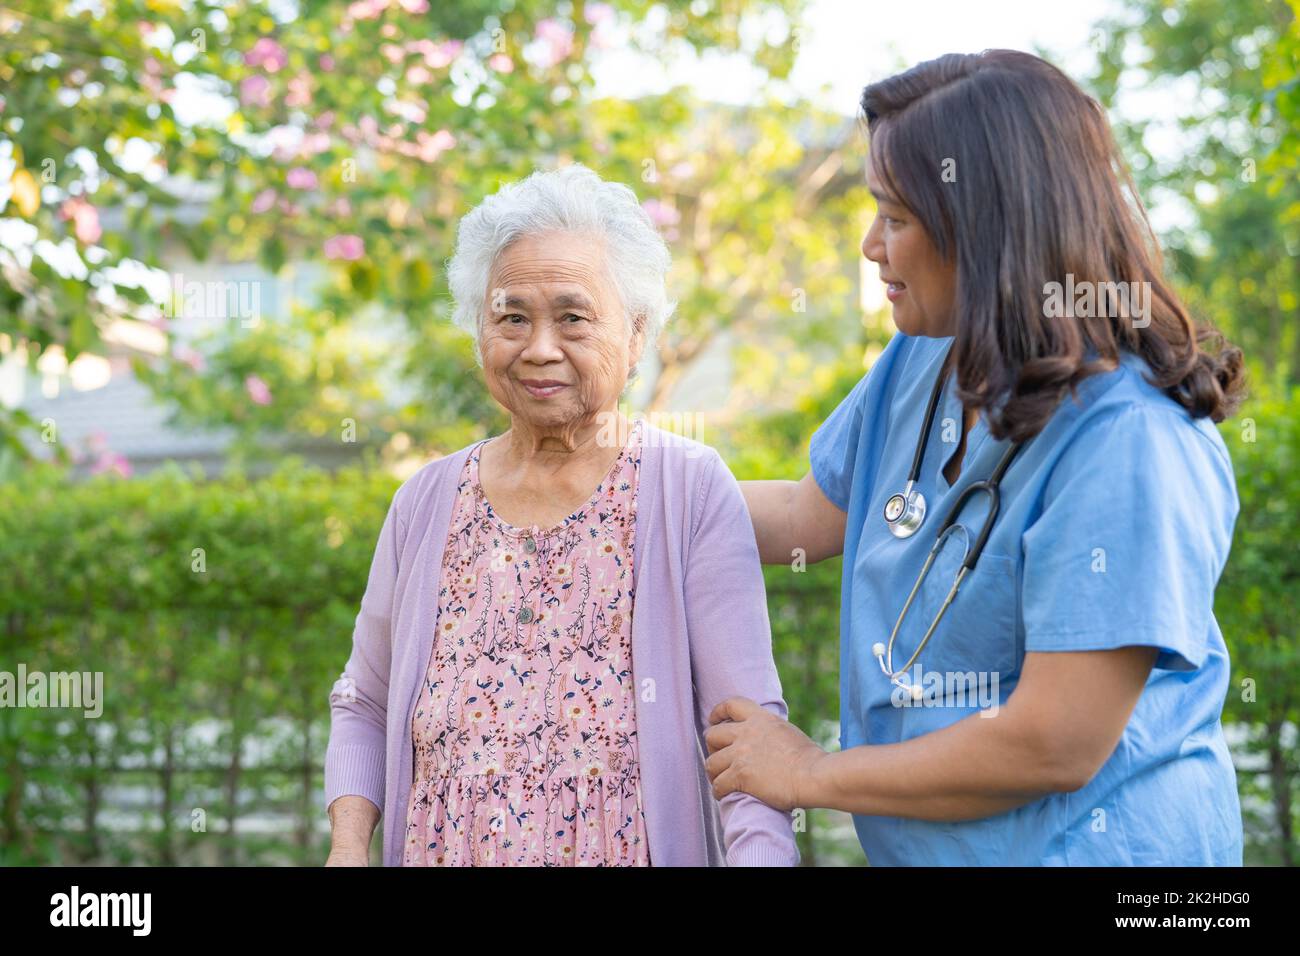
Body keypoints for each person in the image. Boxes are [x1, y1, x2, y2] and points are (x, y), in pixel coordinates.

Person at [706, 49, 1246, 865]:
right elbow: (804, 518)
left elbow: (1051, 743)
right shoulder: (923, 361)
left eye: (895, 217)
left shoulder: (1131, 441)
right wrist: (615, 490)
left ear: (986, 229)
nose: (868, 245)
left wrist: (812, 772)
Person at [324, 164, 798, 866]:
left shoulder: (690, 489)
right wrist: (346, 849)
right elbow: (364, 701)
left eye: (573, 317)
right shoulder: (423, 503)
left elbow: (747, 739)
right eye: (512, 316)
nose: (539, 347)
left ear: (636, 335)